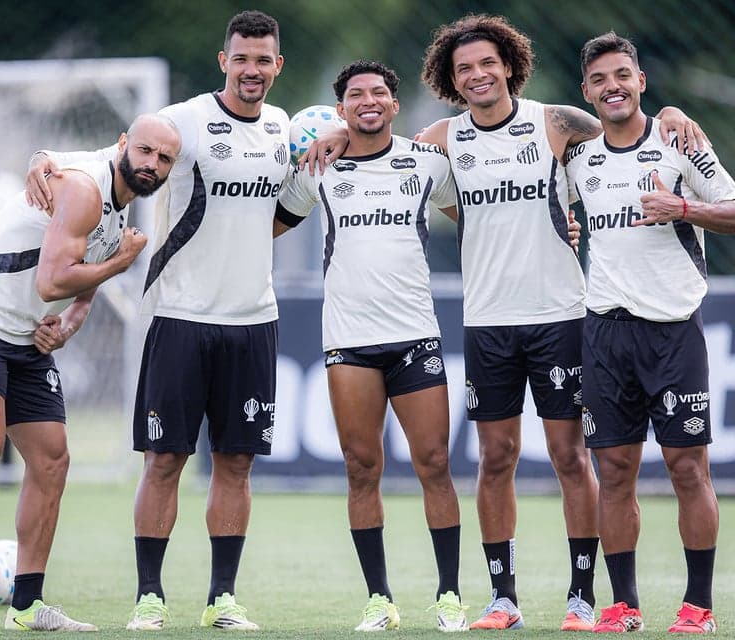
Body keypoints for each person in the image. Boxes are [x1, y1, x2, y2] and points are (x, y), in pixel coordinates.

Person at [301, 13, 705, 632]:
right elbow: (393, 158)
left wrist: (672, 113)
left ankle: (581, 597)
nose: (477, 75)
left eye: (488, 63)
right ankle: (503, 599)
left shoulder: (557, 123)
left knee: (570, 457)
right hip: (487, 320)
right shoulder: (441, 139)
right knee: (496, 458)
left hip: (560, 315)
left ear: (510, 65)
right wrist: (336, 130)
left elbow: (627, 126)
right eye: (464, 68)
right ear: (450, 79)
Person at [26, 11, 295, 631]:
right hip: (179, 317)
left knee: (236, 463)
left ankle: (222, 600)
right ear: (223, 60)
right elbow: (116, 155)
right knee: (164, 460)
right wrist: (45, 157)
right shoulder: (183, 121)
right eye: (241, 58)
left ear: (277, 66)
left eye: (263, 60)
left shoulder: (284, 127)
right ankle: (149, 597)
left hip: (254, 319)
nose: (251, 70)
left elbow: (296, 193)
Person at [0, 114, 180, 633]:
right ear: (122, 144)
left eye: (164, 159)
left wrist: (66, 326)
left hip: (26, 337)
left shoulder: (120, 207)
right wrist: (120, 262)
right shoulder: (86, 190)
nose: (152, 164)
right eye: (145, 151)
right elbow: (52, 282)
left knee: (52, 460)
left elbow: (78, 295)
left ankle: (26, 607)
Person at [277, 60, 466, 632]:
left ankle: (450, 596)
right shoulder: (319, 166)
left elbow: (478, 219)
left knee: (435, 464)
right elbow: (268, 224)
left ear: (394, 104)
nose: (368, 101)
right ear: (341, 110)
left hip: (415, 336)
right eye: (356, 94)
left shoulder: (426, 162)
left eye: (378, 92)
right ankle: (379, 600)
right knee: (362, 469)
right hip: (349, 342)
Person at [565, 32, 735, 634]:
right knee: (614, 472)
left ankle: (698, 607)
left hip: (673, 333)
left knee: (688, 470)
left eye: (622, 75)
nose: (612, 87)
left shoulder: (678, 141)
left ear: (640, 81)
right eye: (599, 80)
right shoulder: (578, 159)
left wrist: (683, 209)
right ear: (586, 92)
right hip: (605, 334)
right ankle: (623, 605)